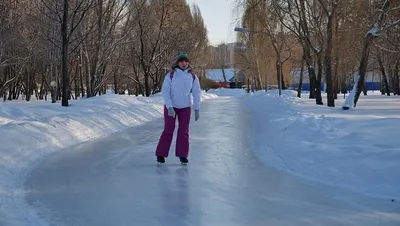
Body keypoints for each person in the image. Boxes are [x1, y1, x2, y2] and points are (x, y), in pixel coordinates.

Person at [155, 53, 201, 164]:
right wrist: (169, 106)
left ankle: (182, 155)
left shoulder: (193, 77)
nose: (184, 63)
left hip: (185, 107)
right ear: (177, 63)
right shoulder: (170, 75)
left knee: (183, 131)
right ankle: (161, 154)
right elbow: (165, 92)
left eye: (186, 61)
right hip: (171, 107)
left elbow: (196, 93)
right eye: (181, 61)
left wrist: (197, 108)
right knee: (168, 129)